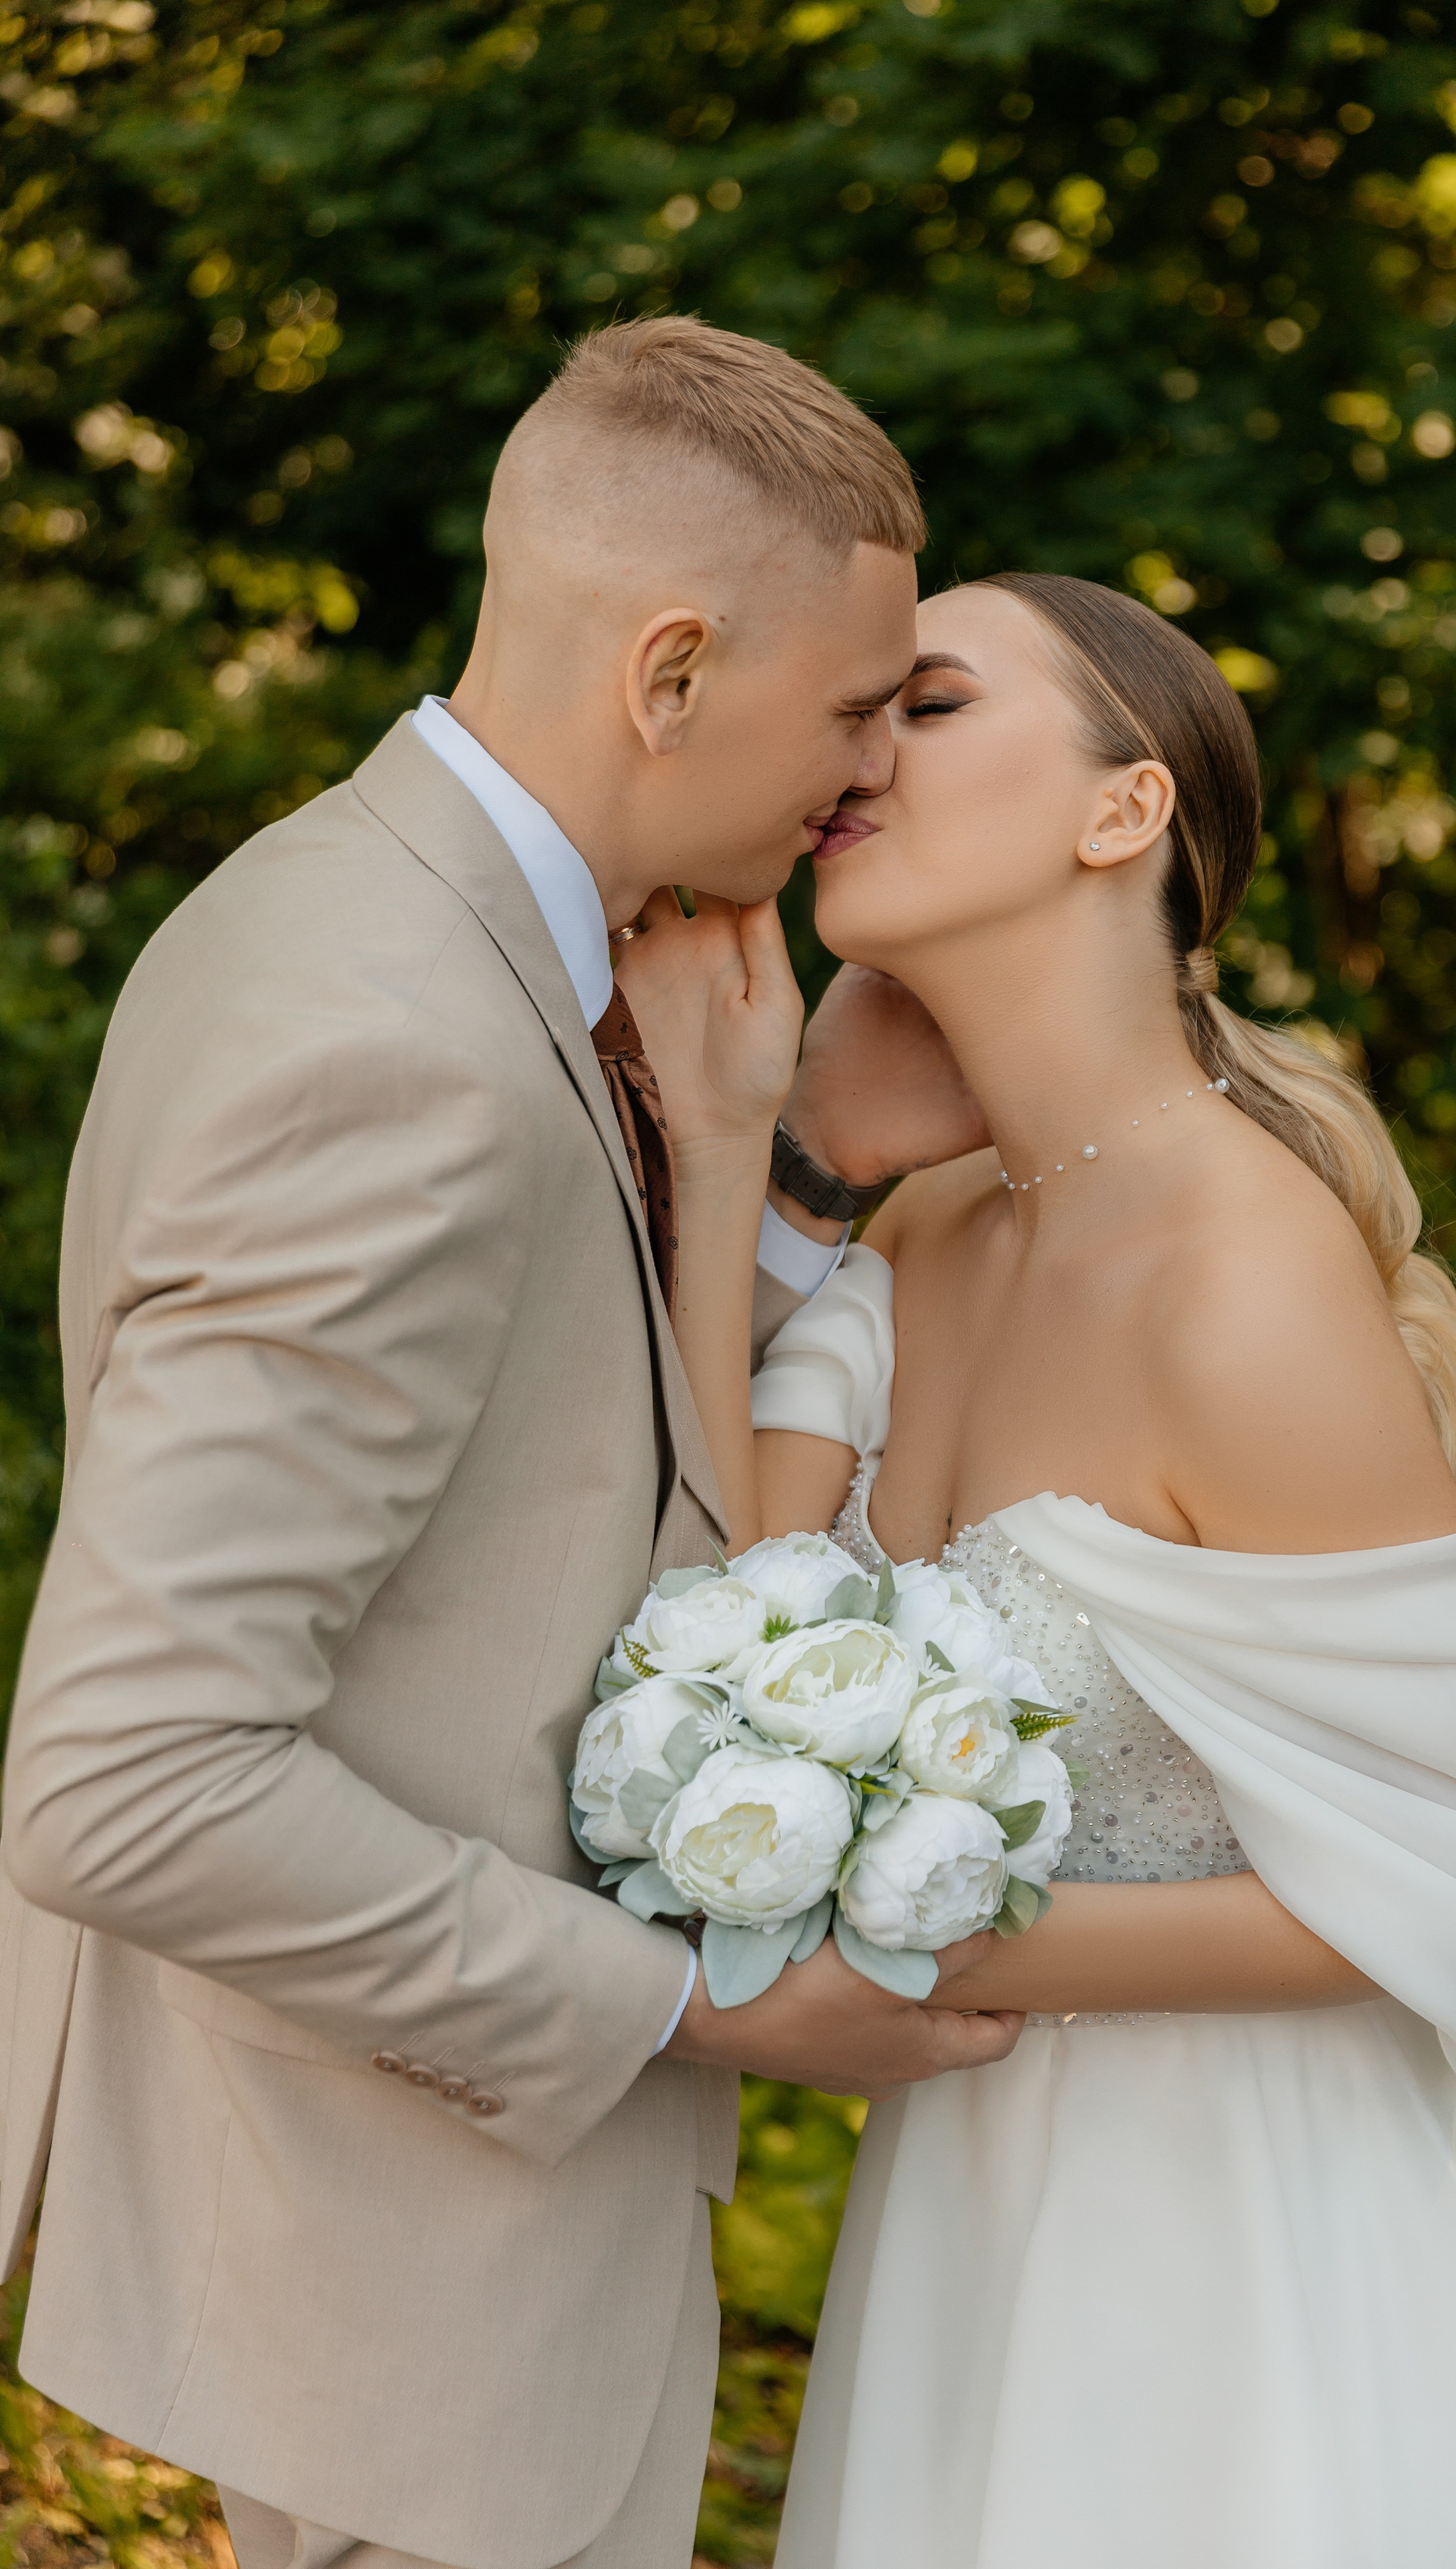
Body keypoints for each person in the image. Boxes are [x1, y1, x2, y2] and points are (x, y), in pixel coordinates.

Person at [0, 318, 1022, 2569]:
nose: (867, 782)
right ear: (668, 672)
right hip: (406, 2269)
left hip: (410, 2243)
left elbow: (531, 1445)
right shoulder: (404, 1042)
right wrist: (692, 1998)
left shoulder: (360, 912)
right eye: (854, 711)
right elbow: (130, 1774)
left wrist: (782, 1175)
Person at [618, 570, 1456, 2566]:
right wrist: (755, 1150)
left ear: (1121, 814)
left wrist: (905, 1943)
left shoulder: (1243, 1271)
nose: (859, 752)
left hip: (1249, 2267)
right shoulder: (928, 1238)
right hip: (965, 2238)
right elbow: (714, 1620)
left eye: (927, 705)